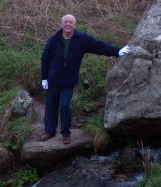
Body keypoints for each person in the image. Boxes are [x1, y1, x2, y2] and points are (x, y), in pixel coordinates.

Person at [40, 14, 130, 144]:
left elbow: (100, 46)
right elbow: (45, 59)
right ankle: (49, 131)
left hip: (68, 82)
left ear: (74, 25)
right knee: (50, 107)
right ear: (62, 24)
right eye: (66, 22)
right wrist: (44, 78)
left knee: (65, 106)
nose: (68, 24)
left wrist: (117, 51)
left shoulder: (82, 39)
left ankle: (65, 133)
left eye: (71, 22)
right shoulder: (53, 40)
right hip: (53, 81)